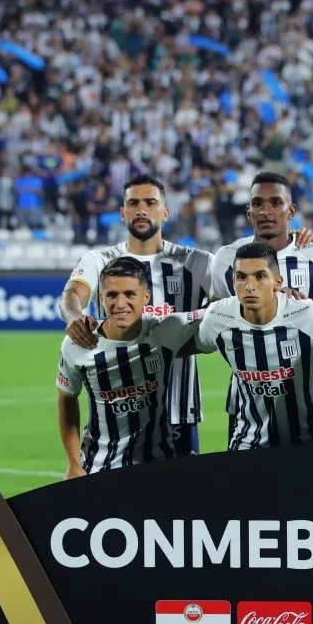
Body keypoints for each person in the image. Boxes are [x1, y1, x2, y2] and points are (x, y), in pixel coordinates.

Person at [59, 174, 213, 456]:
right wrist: (73, 317)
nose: (141, 209)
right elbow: (72, 295)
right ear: (122, 213)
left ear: (165, 212)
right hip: (112, 415)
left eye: (150, 203)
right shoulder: (99, 260)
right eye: (133, 203)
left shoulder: (198, 262)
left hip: (177, 411)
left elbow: (227, 311)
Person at [195, 242, 313, 449]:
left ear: (278, 282)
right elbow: (191, 344)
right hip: (249, 442)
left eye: (260, 276)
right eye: (241, 277)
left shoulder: (309, 314)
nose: (249, 286)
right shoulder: (217, 317)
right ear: (233, 282)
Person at [56, 257, 204, 478]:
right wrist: (73, 464)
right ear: (100, 298)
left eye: (129, 294)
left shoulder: (166, 329)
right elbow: (67, 398)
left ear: (146, 297)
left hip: (158, 464)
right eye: (112, 295)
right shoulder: (78, 344)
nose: (120, 303)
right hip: (98, 467)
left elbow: (220, 314)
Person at [210, 171, 313, 303]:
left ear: (292, 211)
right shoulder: (226, 258)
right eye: (257, 203)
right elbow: (216, 318)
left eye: (276, 203)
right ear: (248, 213)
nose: (265, 211)